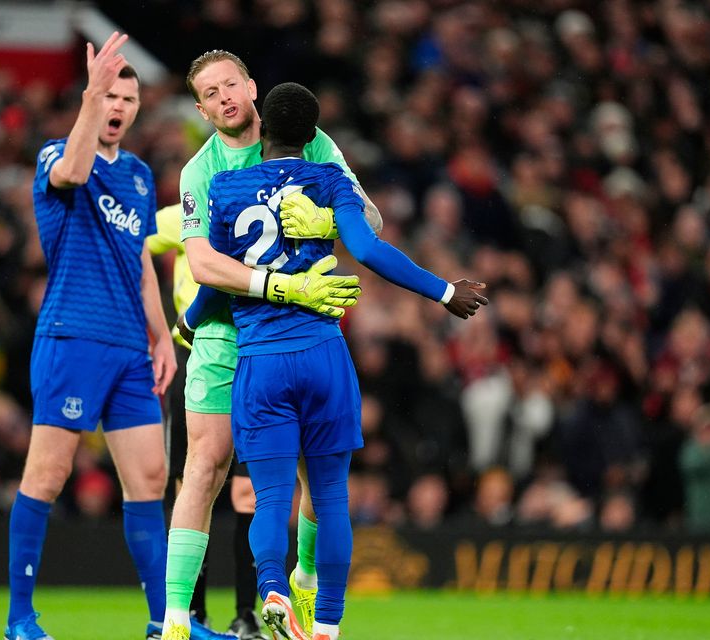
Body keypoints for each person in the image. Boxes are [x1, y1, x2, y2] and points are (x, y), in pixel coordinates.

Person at [191, 81, 488, 640]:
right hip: (323, 355)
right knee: (328, 496)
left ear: (263, 128)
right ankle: (326, 625)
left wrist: (189, 319)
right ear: (313, 135)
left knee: (272, 496)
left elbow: (215, 282)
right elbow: (371, 249)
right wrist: (446, 292)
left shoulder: (225, 189)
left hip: (261, 362)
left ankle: (272, 591)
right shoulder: (329, 179)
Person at [161, 50, 378, 640]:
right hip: (226, 337)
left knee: (314, 480)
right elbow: (201, 262)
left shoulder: (307, 139)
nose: (225, 96)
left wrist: (326, 222)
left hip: (297, 338)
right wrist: (278, 284)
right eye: (211, 92)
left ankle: (301, 587)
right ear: (203, 110)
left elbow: (373, 220)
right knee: (202, 471)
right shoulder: (198, 172)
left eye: (231, 83)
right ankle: (175, 622)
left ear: (252, 87)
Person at [5, 33, 185, 640]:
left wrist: (161, 337)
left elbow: (138, 262)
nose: (118, 106)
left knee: (151, 479)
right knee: (48, 475)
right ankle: (20, 619)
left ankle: (166, 622)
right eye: (109, 95)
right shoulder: (58, 153)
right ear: (92, 98)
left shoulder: (137, 176)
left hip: (131, 349)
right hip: (73, 336)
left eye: (127, 99)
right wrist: (88, 98)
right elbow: (74, 170)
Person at [148, 205, 267, 640]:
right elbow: (135, 243)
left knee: (246, 493)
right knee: (190, 484)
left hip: (252, 347)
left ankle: (245, 613)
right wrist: (157, 324)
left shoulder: (255, 205)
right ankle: (190, 613)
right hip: (194, 349)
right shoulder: (184, 213)